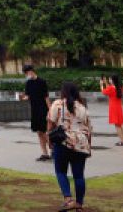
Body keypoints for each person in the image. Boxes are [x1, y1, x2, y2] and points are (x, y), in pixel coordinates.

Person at [47, 80, 93, 211]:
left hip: (63, 142)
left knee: (60, 171)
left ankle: (68, 199)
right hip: (81, 144)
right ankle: (79, 204)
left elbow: (50, 123)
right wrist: (88, 146)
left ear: (64, 92)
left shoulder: (58, 104)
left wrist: (49, 139)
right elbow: (89, 129)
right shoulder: (83, 108)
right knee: (79, 175)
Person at [23, 64, 51, 161]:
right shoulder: (28, 83)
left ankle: (54, 151)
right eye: (26, 73)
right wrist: (22, 97)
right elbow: (27, 96)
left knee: (46, 132)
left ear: (32, 71)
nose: (28, 74)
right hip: (34, 110)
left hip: (43, 109)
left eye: (28, 72)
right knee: (39, 132)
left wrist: (50, 110)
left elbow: (46, 97)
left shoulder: (42, 82)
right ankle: (44, 153)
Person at [100, 74, 123, 146]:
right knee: (120, 125)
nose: (109, 80)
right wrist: (105, 83)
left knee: (117, 125)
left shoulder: (111, 88)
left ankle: (121, 141)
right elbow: (109, 89)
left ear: (112, 80)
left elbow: (104, 92)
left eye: (110, 79)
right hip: (119, 107)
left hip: (113, 107)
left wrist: (101, 85)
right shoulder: (118, 87)